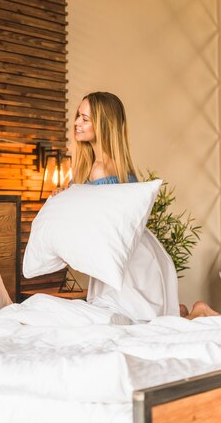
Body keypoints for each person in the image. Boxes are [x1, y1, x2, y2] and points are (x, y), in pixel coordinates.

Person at [72, 91, 220, 321]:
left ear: (103, 125)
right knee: (143, 320)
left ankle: (195, 312)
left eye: (85, 119)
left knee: (137, 324)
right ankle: (186, 312)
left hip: (128, 259)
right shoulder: (113, 164)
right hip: (139, 250)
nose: (76, 123)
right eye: (78, 116)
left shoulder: (100, 169)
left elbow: (97, 217)